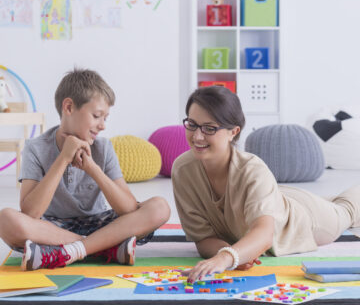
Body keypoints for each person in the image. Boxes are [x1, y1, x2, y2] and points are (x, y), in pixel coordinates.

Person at [171, 85, 360, 283]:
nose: (197, 136)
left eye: (209, 128)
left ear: (233, 132)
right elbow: (203, 239)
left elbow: (263, 233)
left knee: (347, 209)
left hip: (302, 220)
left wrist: (227, 257)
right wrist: (232, 254)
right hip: (276, 198)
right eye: (192, 124)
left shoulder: (252, 170)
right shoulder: (183, 169)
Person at [0, 69, 170, 271]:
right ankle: (103, 248)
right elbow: (30, 212)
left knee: (160, 207)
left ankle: (70, 250)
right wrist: (63, 159)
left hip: (101, 224)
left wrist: (92, 168)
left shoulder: (103, 147)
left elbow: (128, 209)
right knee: (6, 219)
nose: (103, 125)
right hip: (52, 228)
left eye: (105, 118)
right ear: (69, 107)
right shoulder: (35, 148)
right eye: (97, 116)